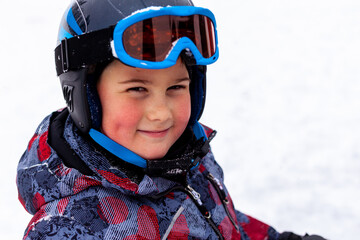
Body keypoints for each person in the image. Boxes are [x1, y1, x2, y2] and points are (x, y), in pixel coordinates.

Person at [16, 0, 326, 239]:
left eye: (176, 87)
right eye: (137, 88)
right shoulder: (68, 229)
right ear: (86, 96)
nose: (161, 113)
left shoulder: (185, 157)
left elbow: (218, 221)